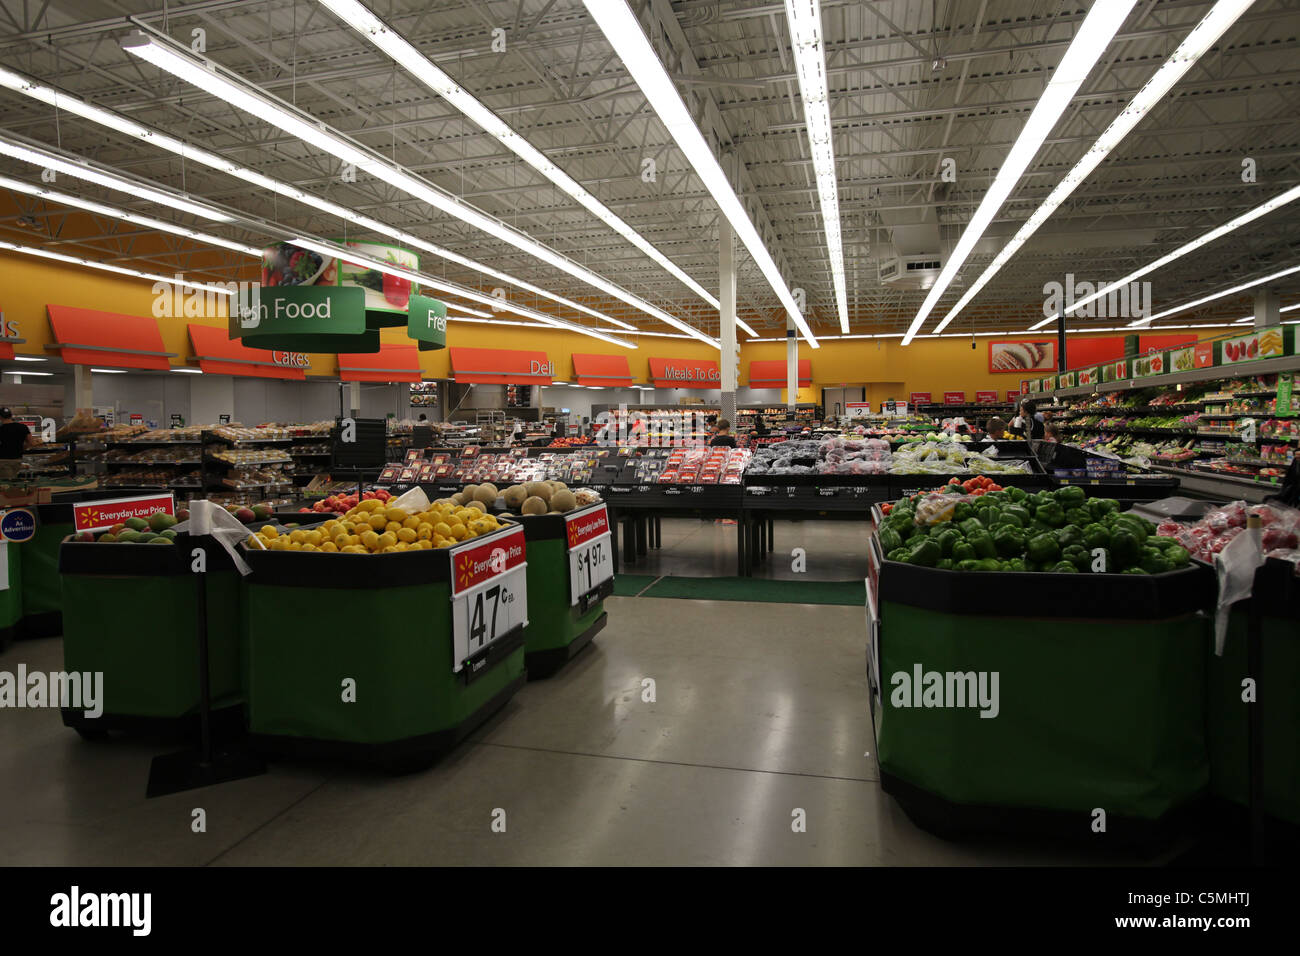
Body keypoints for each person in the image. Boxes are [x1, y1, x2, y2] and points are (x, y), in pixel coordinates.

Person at [0, 407, 34, 480]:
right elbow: (31, 442)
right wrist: (22, 448)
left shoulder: (1, 429)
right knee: (15, 482)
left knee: (6, 485)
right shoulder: (23, 427)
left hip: (3, 461)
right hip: (17, 460)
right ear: (11, 416)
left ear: (0, 417)